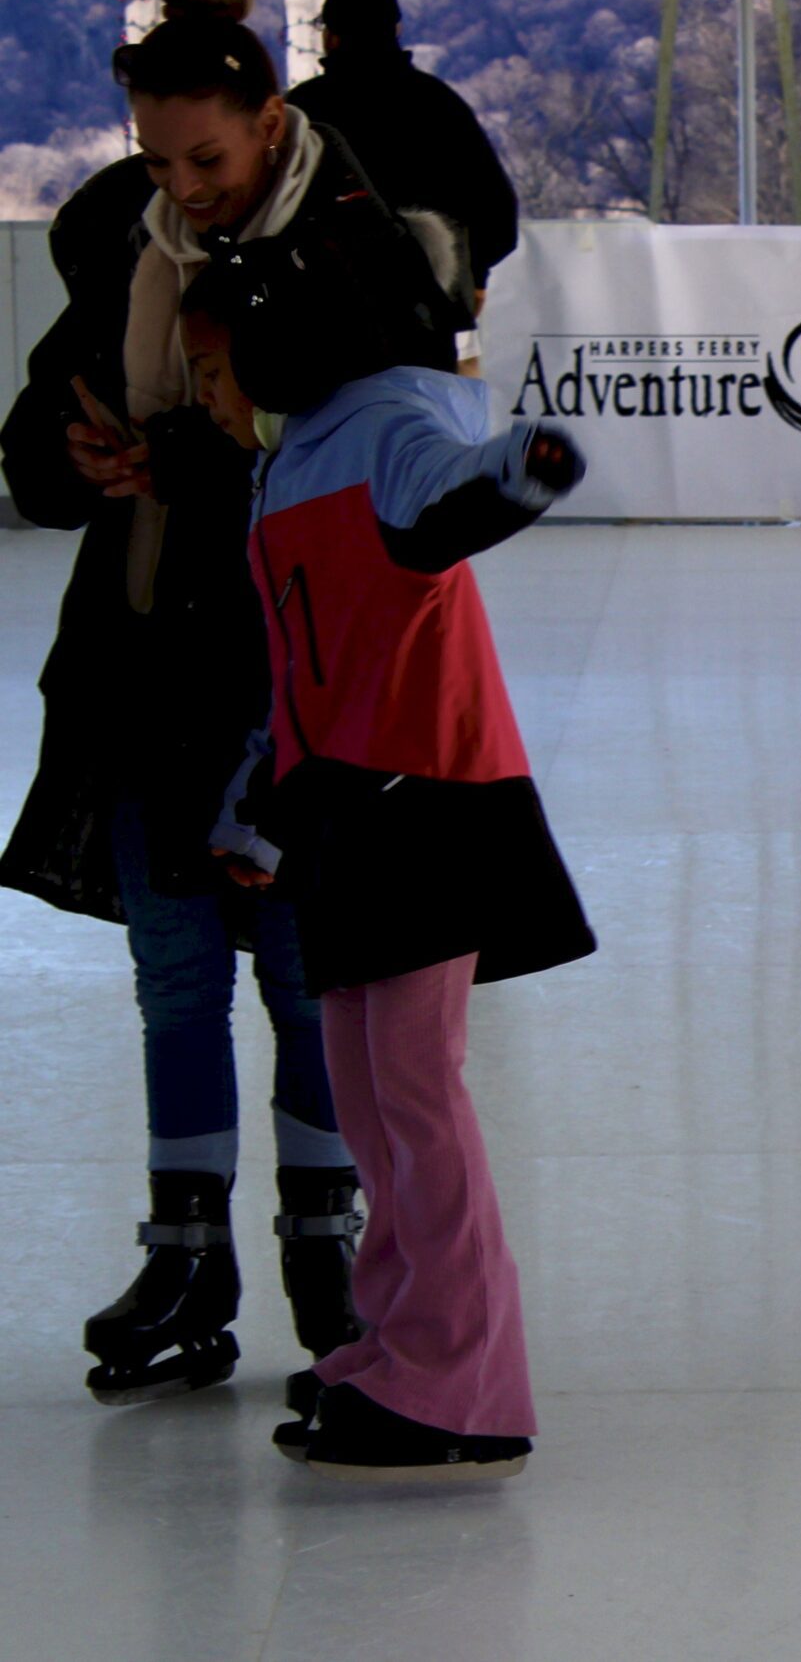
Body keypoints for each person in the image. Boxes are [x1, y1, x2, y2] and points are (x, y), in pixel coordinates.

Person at [0, 0, 449, 1406]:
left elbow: (363, 454)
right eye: (155, 158)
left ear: (269, 123)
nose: (184, 184)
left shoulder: (356, 255)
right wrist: (70, 456)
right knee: (174, 973)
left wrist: (183, 460)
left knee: (309, 976)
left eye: (206, 156)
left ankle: (328, 1245)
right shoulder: (119, 245)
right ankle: (188, 1251)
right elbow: (37, 425)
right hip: (140, 666)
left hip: (297, 680)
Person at [186, 228, 592, 1483]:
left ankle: (466, 1378)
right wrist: (262, 805)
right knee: (366, 1090)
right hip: (348, 803)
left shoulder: (380, 418)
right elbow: (305, 661)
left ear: (272, 345)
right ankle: (399, 1339)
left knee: (415, 1088)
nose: (206, 393)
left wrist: (517, 475)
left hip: (429, 794)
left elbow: (441, 497)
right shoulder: (287, 457)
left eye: (211, 366)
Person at [286, 0, 520, 311]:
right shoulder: (439, 103)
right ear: (396, 29)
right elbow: (497, 214)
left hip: (322, 303)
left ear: (331, 36)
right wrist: (468, 274)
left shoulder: (303, 110)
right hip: (426, 304)